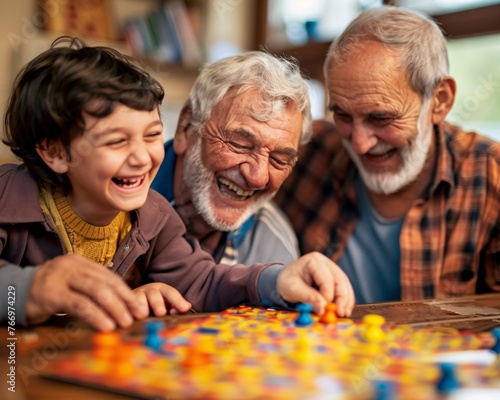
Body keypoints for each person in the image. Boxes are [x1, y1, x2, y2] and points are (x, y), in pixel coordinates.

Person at [0, 36, 355, 332]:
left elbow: (204, 281)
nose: (141, 157)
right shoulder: (6, 196)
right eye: (117, 141)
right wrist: (29, 290)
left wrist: (276, 281)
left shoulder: (154, 215)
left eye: (152, 135)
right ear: (55, 151)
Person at [275, 6, 500, 304]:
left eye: (381, 118)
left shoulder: (490, 177)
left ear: (440, 102)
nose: (359, 144)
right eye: (342, 115)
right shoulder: (304, 149)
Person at [152, 51, 311, 266]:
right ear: (186, 127)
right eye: (240, 145)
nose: (257, 177)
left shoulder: (273, 249)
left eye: (279, 160)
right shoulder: (117, 193)